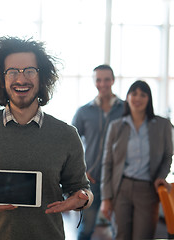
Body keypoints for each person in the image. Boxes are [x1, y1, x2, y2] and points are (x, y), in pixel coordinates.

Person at [0, 36, 93, 240]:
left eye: (30, 71)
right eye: (12, 71)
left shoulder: (66, 134)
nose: (21, 79)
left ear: (42, 78)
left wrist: (83, 199)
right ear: (1, 78)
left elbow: (81, 188)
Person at [100, 80, 173, 240]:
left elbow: (168, 156)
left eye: (143, 94)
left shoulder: (163, 125)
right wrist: (106, 198)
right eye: (134, 93)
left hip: (147, 189)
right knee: (121, 235)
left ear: (149, 99)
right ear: (127, 97)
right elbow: (107, 163)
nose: (138, 98)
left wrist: (161, 175)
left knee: (143, 236)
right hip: (121, 188)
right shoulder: (116, 126)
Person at [72, 64, 124, 240]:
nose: (103, 84)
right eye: (98, 80)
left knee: (121, 230)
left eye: (107, 79)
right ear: (94, 82)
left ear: (113, 80)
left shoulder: (126, 109)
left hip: (119, 180)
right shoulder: (84, 112)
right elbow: (71, 145)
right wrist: (81, 172)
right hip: (91, 180)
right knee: (86, 229)